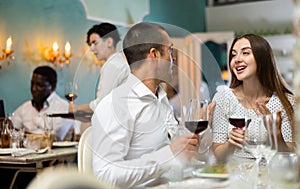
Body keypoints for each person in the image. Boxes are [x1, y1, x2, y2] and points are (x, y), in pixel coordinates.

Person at [92, 22, 200, 188]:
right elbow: (105, 175)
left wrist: (197, 129)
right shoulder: (115, 105)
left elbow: (173, 150)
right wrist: (168, 154)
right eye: (170, 51)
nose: (174, 58)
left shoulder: (160, 99)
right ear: (154, 55)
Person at [211, 34, 295, 162]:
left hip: (272, 176)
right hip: (235, 177)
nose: (237, 59)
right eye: (233, 55)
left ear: (262, 58)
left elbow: (289, 156)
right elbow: (218, 155)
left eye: (245, 53)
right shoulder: (223, 98)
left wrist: (276, 134)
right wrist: (231, 144)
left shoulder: (286, 101)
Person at [70, 22, 130, 121]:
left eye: (95, 43)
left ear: (109, 42)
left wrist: (76, 108)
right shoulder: (118, 62)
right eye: (90, 45)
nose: (91, 49)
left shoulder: (113, 65)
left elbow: (102, 103)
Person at [12, 66, 75, 141]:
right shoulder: (25, 108)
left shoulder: (63, 107)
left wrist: (24, 135)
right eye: (32, 84)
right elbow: (12, 129)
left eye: (40, 85)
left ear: (53, 86)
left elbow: (54, 138)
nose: (34, 89)